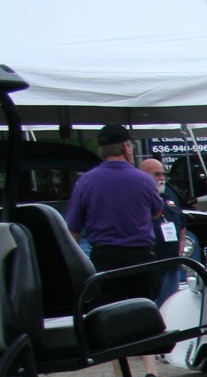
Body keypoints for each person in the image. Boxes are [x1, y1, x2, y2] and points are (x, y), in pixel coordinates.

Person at [65, 124, 164, 304]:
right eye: (130, 145)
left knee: (109, 315)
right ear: (125, 147)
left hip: (104, 260)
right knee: (143, 313)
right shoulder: (144, 180)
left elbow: (74, 228)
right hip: (140, 259)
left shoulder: (86, 181)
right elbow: (157, 213)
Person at [138, 157, 190, 304]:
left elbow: (181, 219)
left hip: (171, 259)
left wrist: (181, 240)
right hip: (151, 259)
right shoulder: (139, 196)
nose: (161, 178)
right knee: (149, 302)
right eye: (156, 174)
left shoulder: (169, 195)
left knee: (170, 302)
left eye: (163, 174)